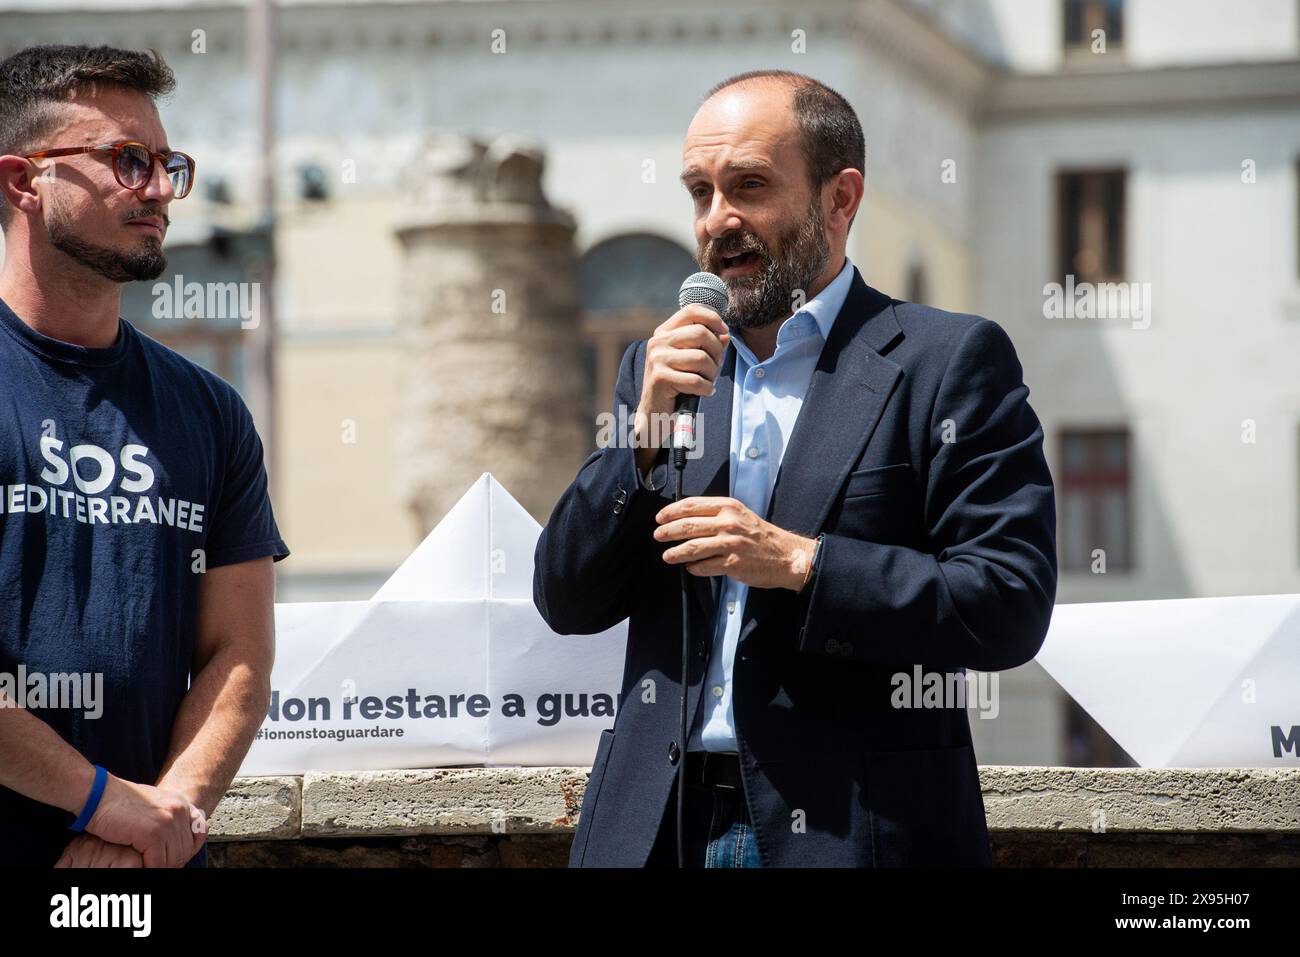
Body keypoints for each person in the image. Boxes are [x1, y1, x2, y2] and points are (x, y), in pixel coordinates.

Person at [533, 70, 1058, 867]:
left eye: (748, 187)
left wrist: (802, 564)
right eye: (700, 192)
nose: (718, 221)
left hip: (852, 834)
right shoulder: (662, 369)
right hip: (653, 832)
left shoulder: (946, 361)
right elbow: (564, 597)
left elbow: (1008, 602)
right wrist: (635, 445)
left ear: (839, 199)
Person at [0, 44, 288, 867]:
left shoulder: (210, 411)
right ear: (25, 181)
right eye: (128, 161)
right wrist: (105, 803)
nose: (159, 189)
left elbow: (239, 654)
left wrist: (160, 822)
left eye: (168, 164)